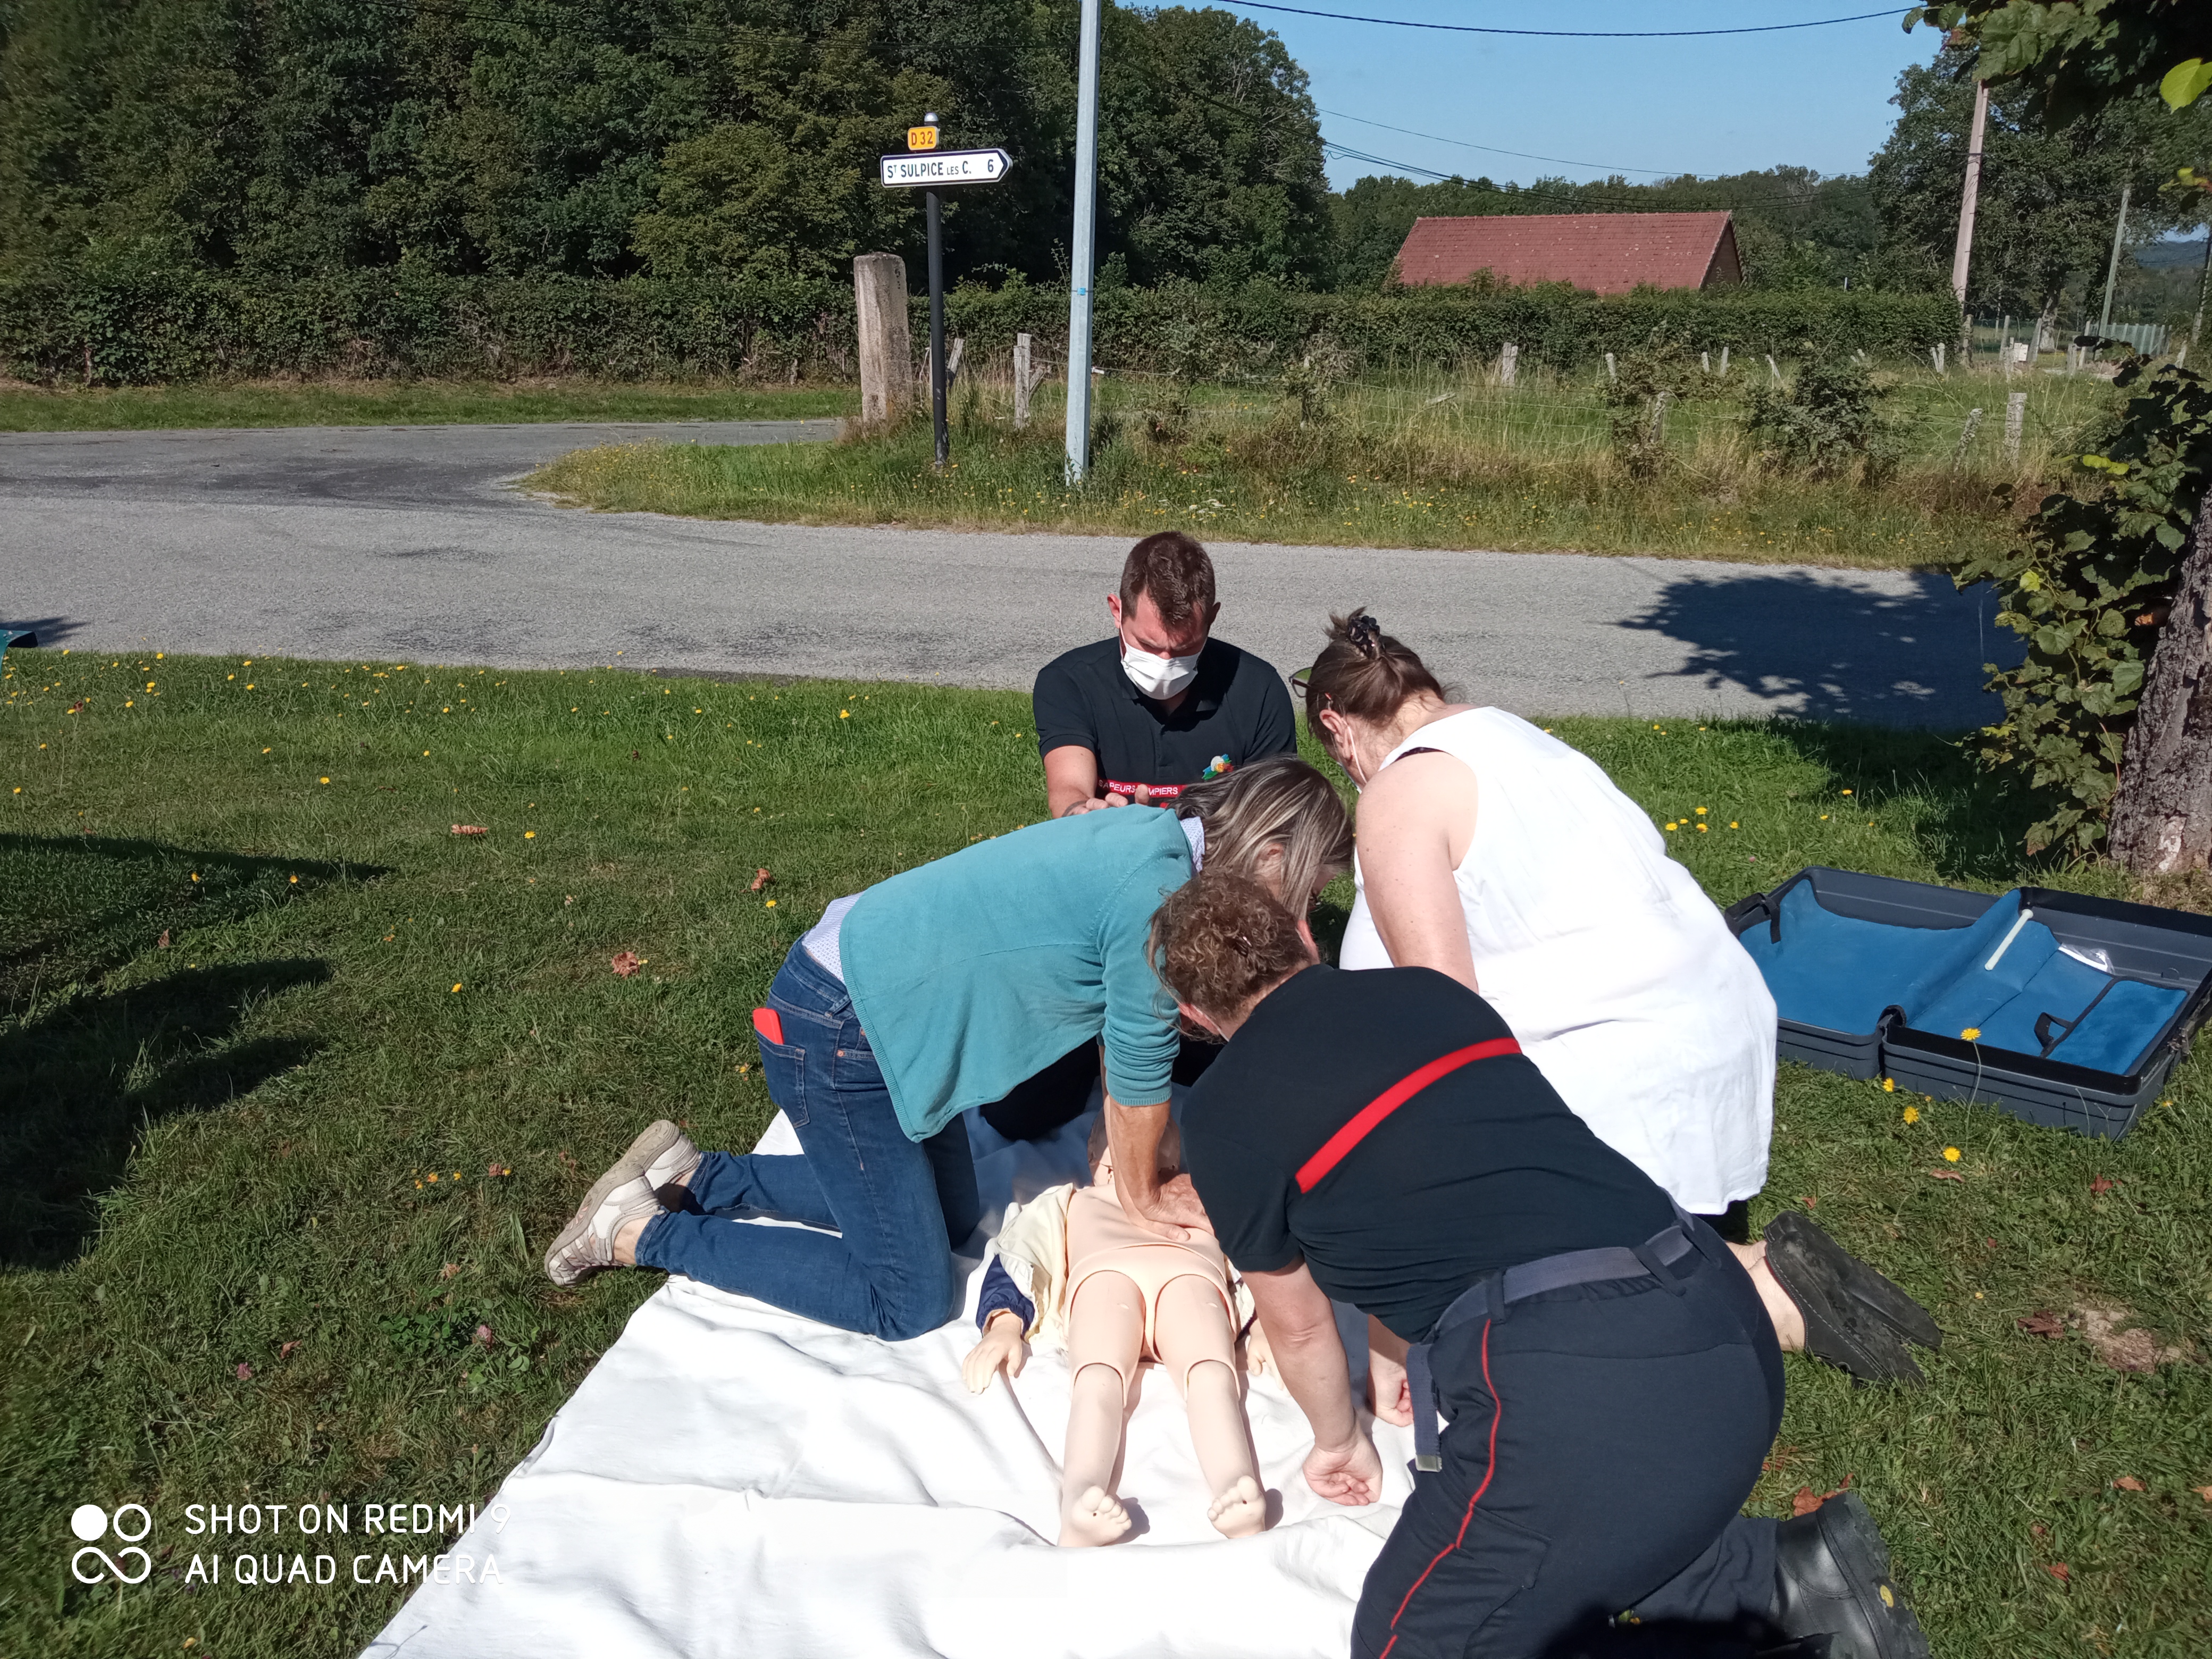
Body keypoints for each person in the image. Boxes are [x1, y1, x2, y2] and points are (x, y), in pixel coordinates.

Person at [1152, 872, 1933, 1659]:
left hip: (1582, 1377)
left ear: (1197, 1016)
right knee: (1572, 1536)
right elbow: (1443, 1175)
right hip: (1715, 1308)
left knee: (1414, 1638)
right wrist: (1394, 1344)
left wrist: (1338, 1439)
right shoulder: (1428, 994)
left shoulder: (1224, 1112)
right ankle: (1780, 1579)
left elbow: (1297, 1327)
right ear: (1306, 934)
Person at [1295, 609, 1940, 1390]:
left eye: (1340, 761)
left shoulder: (1397, 795)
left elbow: (1445, 1014)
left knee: (1514, 1254)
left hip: (1625, 1063)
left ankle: (1764, 1289)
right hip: (1718, 1017)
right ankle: (1735, 1253)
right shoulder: (1515, 736)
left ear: (1336, 724)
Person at [542, 756, 1352, 1339]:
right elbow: (1140, 1066)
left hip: (872, 1009)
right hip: (839, 1027)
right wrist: (1145, 1193)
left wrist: (1145, 1154)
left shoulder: (1154, 841)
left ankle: (700, 1176)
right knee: (909, 1295)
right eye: (1307, 894)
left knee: (956, 1216)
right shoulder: (1158, 892)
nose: (1301, 918)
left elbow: (1126, 1033)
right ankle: (641, 1232)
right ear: (1272, 855)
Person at [987, 532, 1301, 1143]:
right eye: (1148, 645)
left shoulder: (1257, 690)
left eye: (1184, 649)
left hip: (1211, 931)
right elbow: (1068, 791)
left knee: (1253, 1103)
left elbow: (1271, 840)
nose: (1165, 664)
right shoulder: (1069, 681)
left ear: (1211, 617)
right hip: (1098, 927)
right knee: (1018, 1116)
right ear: (1115, 611)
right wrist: (1087, 813)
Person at [962, 1117, 1265, 1547]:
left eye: (1160, 1165)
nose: (1138, 1167)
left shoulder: (1201, 1197)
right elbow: (1023, 1249)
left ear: (1176, 1165)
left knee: (1213, 1375)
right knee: (1098, 1377)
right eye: (1119, 1159)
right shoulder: (1071, 1202)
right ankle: (1080, 1500)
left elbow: (1255, 1251)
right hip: (1106, 1276)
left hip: (1191, 1276)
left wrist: (1270, 1324)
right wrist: (1005, 1323)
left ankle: (1237, 1486)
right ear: (1092, 1158)